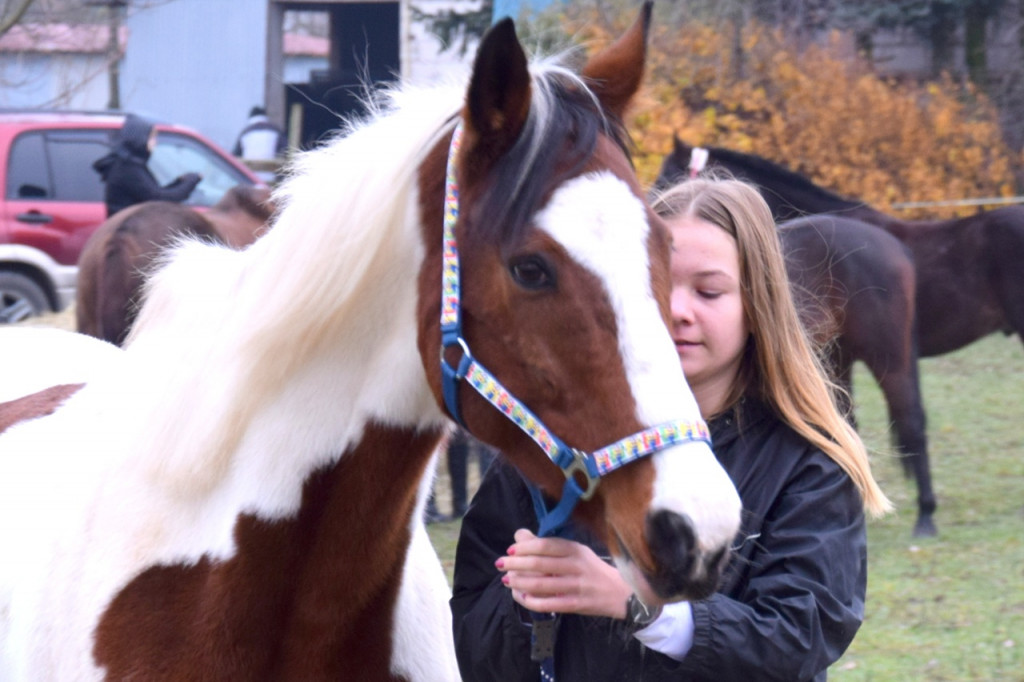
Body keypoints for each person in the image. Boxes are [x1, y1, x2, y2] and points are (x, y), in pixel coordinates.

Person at [450, 177, 891, 681]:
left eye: (708, 290)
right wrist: (531, 599)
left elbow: (800, 636)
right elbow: (469, 641)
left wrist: (640, 609)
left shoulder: (808, 461)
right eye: (657, 285)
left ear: (756, 304)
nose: (677, 310)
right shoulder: (551, 449)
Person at [92, 114, 202, 218]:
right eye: (152, 138)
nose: (155, 143)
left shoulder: (130, 164)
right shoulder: (128, 169)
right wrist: (191, 181)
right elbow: (160, 201)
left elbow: (153, 194)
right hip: (129, 232)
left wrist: (179, 182)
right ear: (140, 139)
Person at [233, 106, 286, 183]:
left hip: (249, 178)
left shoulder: (245, 133)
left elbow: (235, 155)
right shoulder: (275, 131)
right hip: (271, 178)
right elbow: (287, 150)